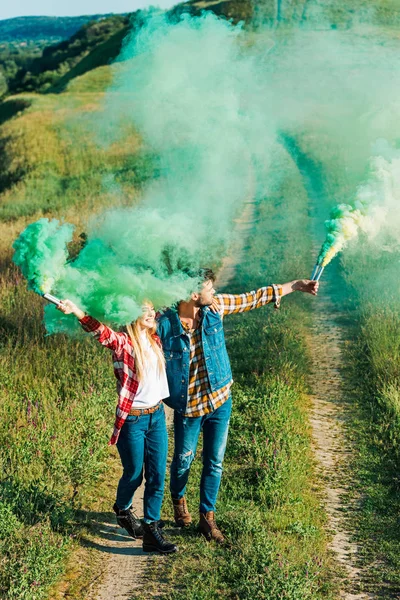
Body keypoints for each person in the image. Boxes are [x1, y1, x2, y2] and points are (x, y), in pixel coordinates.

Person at [157, 269, 318, 544]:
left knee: (215, 462)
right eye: (210, 288)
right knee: (184, 460)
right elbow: (131, 333)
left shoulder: (215, 308)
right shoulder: (164, 324)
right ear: (194, 294)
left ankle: (207, 518)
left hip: (220, 401)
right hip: (189, 408)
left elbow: (252, 298)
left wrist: (295, 286)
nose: (215, 293)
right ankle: (178, 498)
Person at [57, 299, 178, 555]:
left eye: (151, 309)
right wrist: (77, 310)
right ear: (131, 316)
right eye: (144, 310)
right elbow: (100, 332)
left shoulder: (156, 340)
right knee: (134, 474)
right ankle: (123, 509)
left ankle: (151, 530)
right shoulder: (124, 343)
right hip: (133, 420)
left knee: (157, 475)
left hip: (156, 416)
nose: (150, 313)